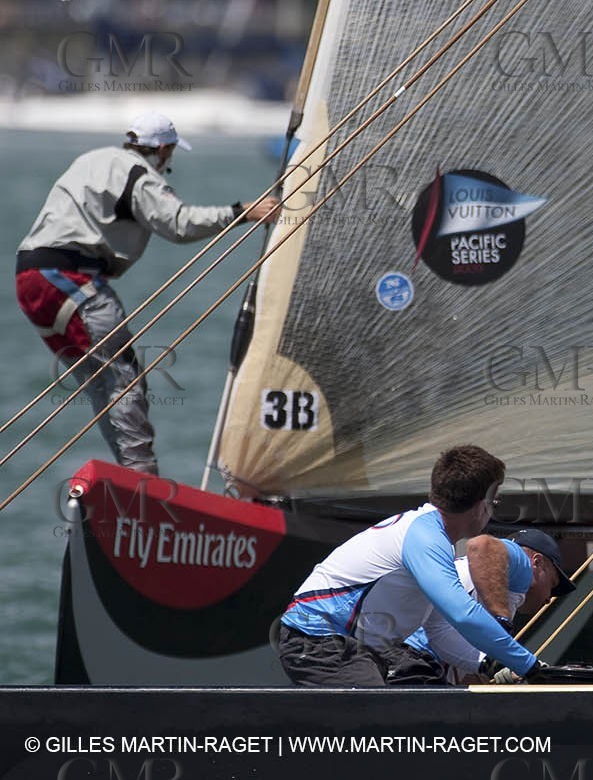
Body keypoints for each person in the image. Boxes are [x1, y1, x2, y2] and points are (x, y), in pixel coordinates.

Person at [14, 112, 278, 474]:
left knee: (101, 382)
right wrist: (242, 212)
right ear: (164, 149)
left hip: (29, 279)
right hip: (69, 278)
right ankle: (142, 480)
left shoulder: (91, 159)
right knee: (123, 377)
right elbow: (178, 224)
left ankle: (131, 474)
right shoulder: (139, 175)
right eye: (170, 153)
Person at [275, 445, 544, 686]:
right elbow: (463, 615)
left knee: (404, 719)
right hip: (319, 639)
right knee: (385, 726)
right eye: (494, 501)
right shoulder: (425, 538)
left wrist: (492, 664)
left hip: (340, 644)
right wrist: (531, 667)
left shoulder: (428, 536)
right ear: (480, 506)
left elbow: (438, 630)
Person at [407, 528, 574, 683]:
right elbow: (482, 545)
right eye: (552, 585)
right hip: (414, 658)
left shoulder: (471, 576)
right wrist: (502, 621)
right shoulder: (522, 564)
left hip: (411, 660)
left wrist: (503, 674)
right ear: (537, 563)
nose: (548, 599)